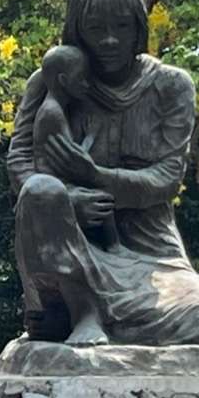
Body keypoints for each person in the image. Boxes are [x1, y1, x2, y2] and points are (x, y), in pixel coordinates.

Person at [7, 0, 199, 347]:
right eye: (96, 28)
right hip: (73, 247)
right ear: (77, 29)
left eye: (121, 26)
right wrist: (69, 202)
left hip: (150, 261)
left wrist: (95, 176)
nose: (109, 40)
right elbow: (20, 159)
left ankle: (102, 323)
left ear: (139, 25)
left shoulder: (171, 87)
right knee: (39, 192)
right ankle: (78, 310)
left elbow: (165, 179)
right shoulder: (54, 79)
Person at [34, 44, 121, 254]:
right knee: (102, 201)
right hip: (56, 186)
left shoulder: (56, 110)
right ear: (63, 81)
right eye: (80, 78)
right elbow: (75, 158)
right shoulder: (52, 112)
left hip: (59, 182)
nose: (86, 84)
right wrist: (91, 135)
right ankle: (114, 248)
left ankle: (108, 248)